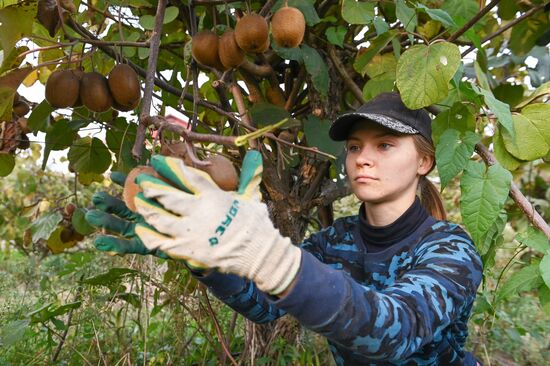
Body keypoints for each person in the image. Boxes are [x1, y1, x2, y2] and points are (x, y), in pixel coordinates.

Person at [86, 92, 483, 365]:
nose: (363, 158)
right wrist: (207, 259)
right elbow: (263, 306)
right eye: (355, 147)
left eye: (385, 145)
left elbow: (397, 332)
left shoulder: (449, 248)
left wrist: (265, 252)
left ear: (424, 163)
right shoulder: (333, 241)